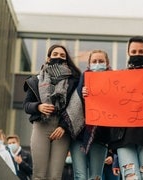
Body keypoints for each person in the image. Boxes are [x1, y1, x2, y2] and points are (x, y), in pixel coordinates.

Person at [23, 44, 81, 179]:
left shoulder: (74, 80)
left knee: (54, 175)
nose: (58, 57)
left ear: (66, 60)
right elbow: (26, 105)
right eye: (55, 54)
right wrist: (38, 107)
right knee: (39, 174)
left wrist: (64, 126)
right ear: (48, 58)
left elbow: (76, 107)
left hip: (62, 129)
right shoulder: (36, 80)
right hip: (41, 126)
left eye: (62, 55)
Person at [109, 36, 143, 180]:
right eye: (134, 51)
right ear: (128, 52)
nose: (137, 54)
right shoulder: (118, 78)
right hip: (123, 137)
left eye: (140, 51)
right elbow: (108, 102)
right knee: (131, 177)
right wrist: (89, 93)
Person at [70, 49, 111, 180]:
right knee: (80, 176)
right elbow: (73, 106)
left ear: (107, 63)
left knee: (96, 177)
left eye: (101, 61)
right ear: (89, 64)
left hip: (101, 136)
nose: (97, 64)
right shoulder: (83, 79)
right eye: (94, 61)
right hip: (80, 135)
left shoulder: (115, 82)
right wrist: (82, 96)